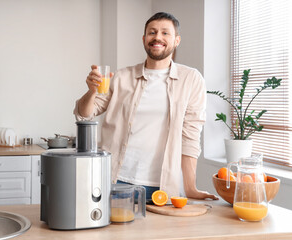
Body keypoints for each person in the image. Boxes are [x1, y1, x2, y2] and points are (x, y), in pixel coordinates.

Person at [74, 12, 218, 201]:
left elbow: (190, 136)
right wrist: (92, 91)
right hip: (114, 180)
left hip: (162, 186)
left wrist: (190, 188)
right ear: (144, 39)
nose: (157, 37)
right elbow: (84, 114)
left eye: (165, 33)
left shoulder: (191, 79)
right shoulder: (121, 77)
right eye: (152, 32)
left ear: (176, 41)